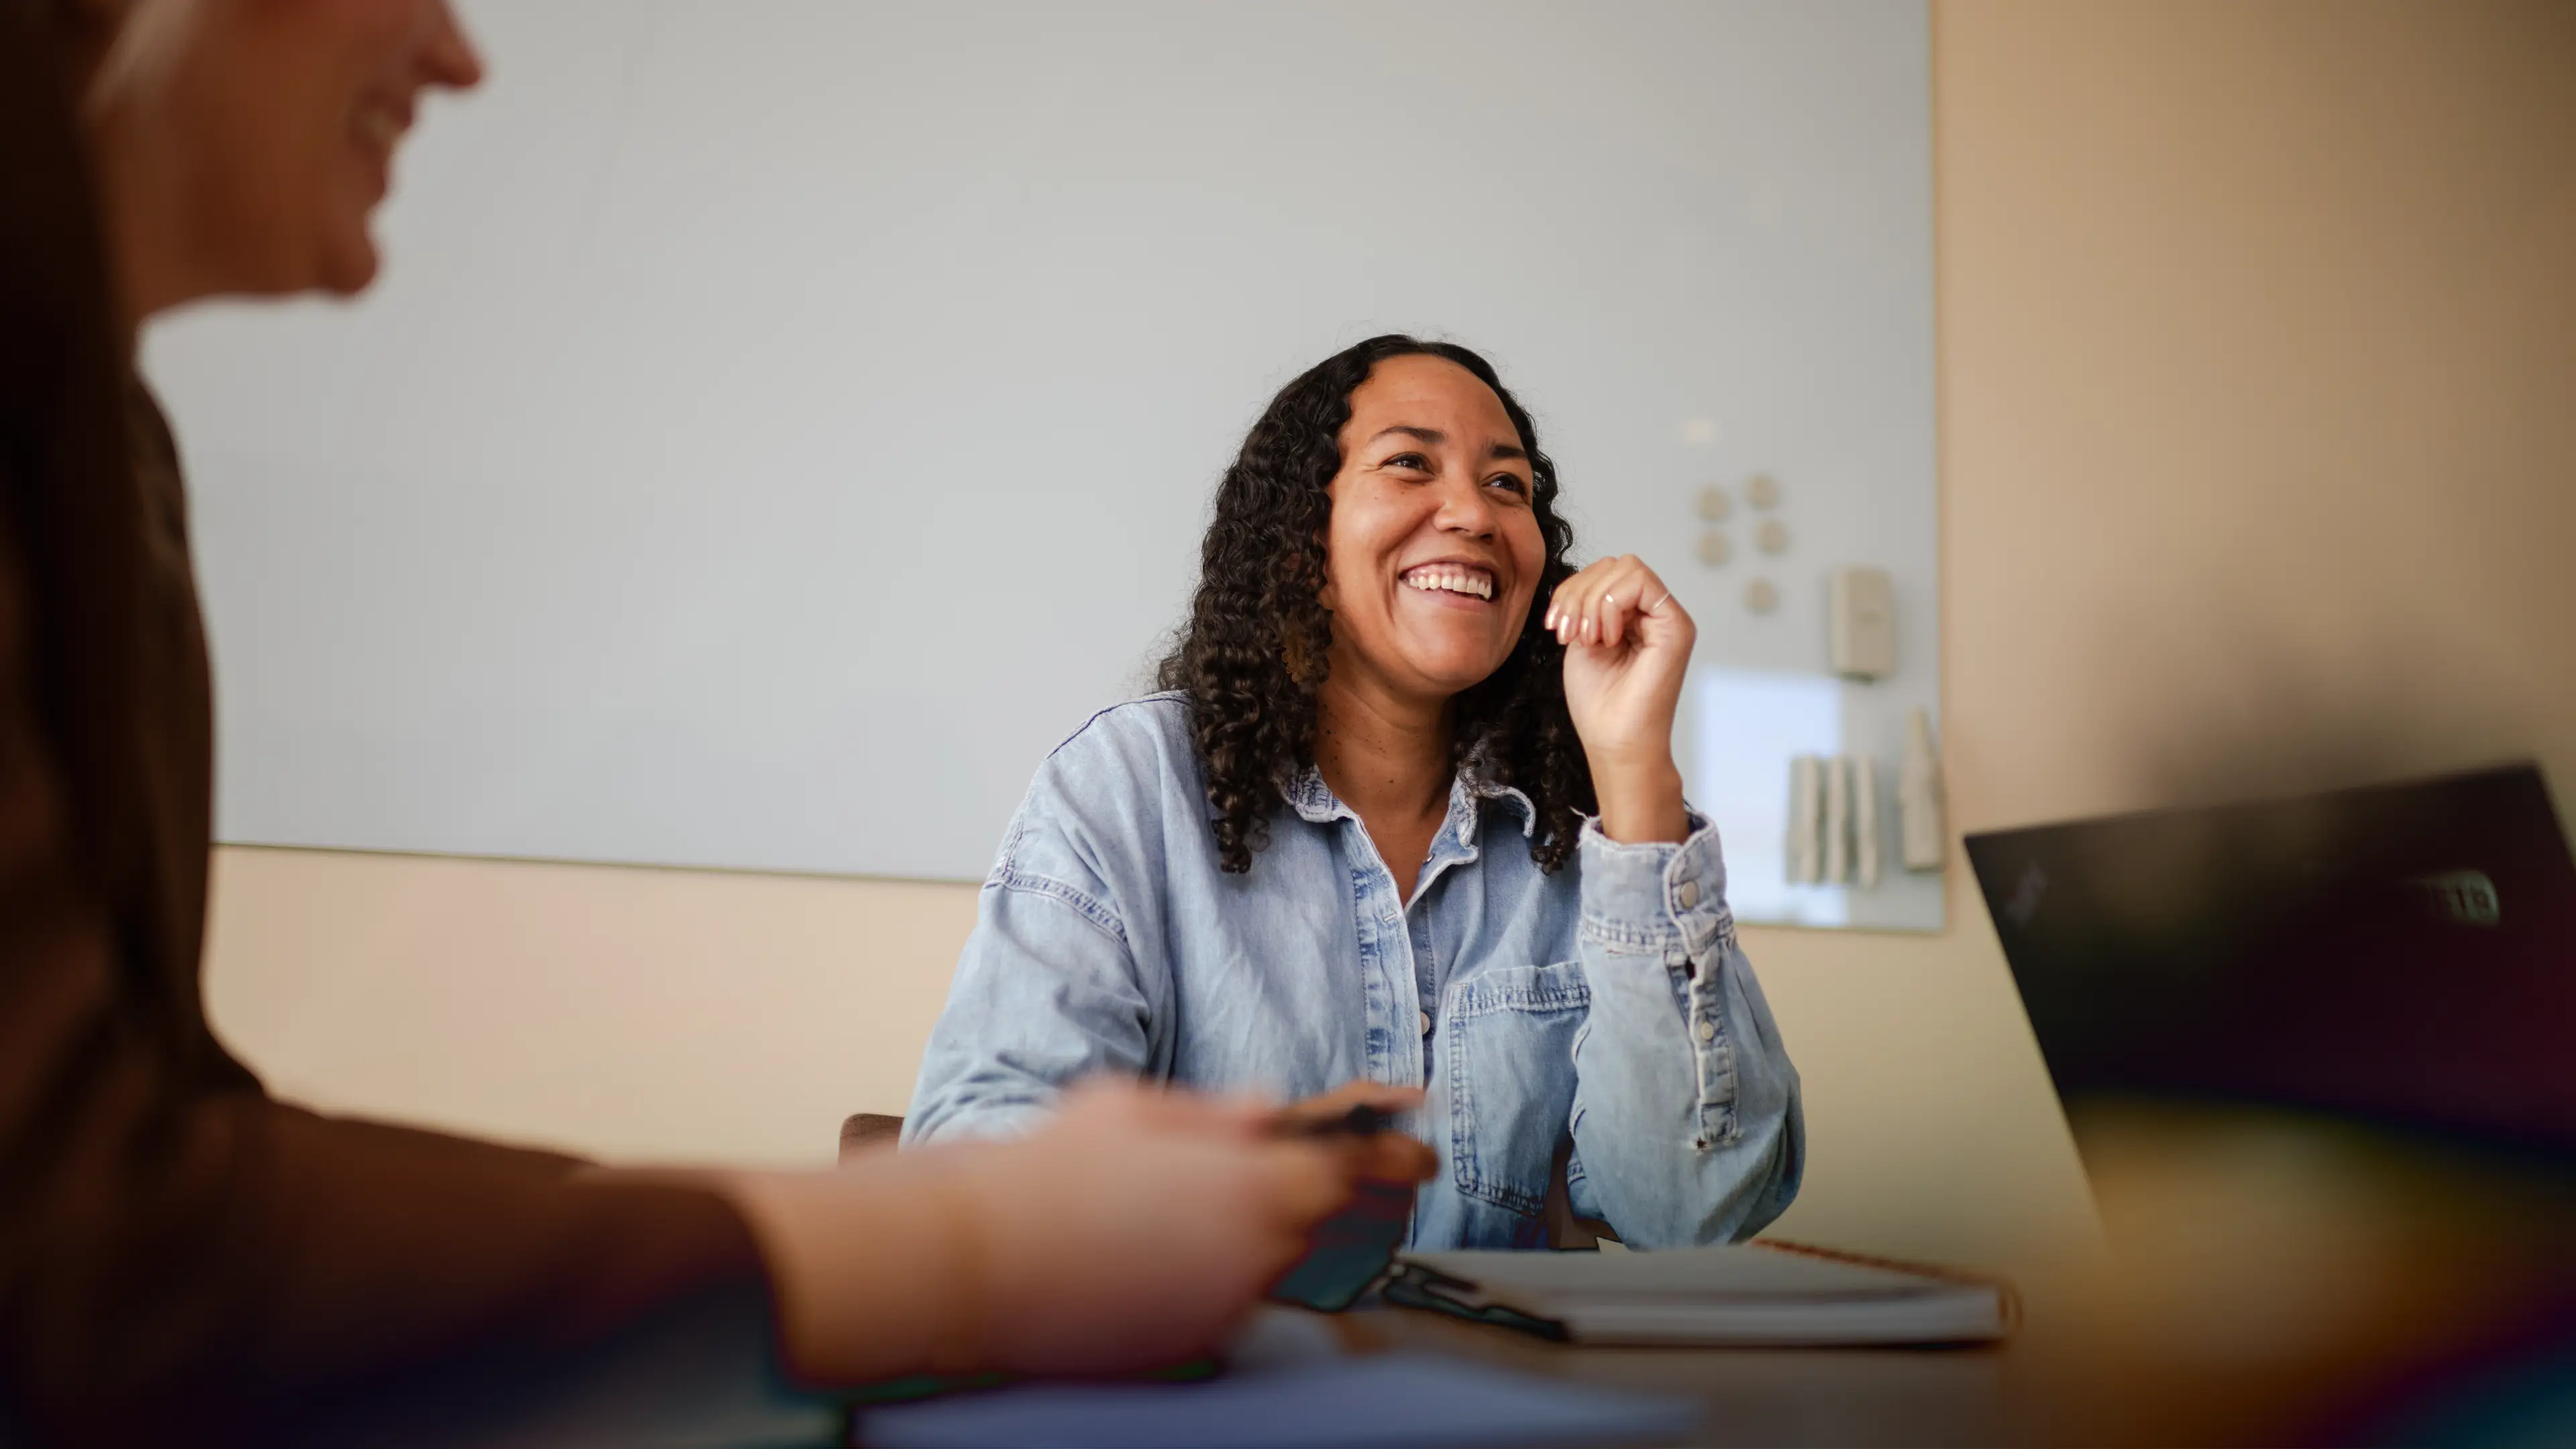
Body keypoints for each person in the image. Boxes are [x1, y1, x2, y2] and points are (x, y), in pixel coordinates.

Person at [0, 2, 1401, 1441]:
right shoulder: (1124, 779)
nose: (457, 54)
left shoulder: (111, 443)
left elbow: (173, 1152)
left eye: (1511, 483)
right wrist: (969, 1242)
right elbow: (87, 1244)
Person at [905, 334, 1805, 1250]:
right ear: (1301, 538)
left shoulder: (1581, 844)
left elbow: (1696, 1211)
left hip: (1499, 1393)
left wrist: (1634, 773)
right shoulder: (1130, 788)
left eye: (1508, 485)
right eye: (1411, 463)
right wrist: (1214, 1189)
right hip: (1223, 1384)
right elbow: (974, 1159)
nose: (1475, 513)